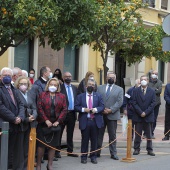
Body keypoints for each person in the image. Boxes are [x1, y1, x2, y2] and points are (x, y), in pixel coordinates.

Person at [36, 78, 67, 170]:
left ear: (58, 87)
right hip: (43, 123)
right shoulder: (42, 95)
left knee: (53, 145)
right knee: (41, 145)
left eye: (55, 85)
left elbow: (64, 109)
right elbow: (39, 108)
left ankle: (50, 164)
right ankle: (38, 164)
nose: (53, 86)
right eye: (51, 84)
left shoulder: (62, 96)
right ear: (48, 85)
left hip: (56, 124)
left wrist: (58, 121)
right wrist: (46, 120)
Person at [0, 67, 25, 169]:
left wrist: (20, 117)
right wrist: (14, 118)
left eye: (9, 76)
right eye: (4, 75)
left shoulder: (14, 89)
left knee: (12, 151)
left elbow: (21, 104)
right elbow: (1, 107)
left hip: (16, 125)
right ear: (0, 77)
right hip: (4, 125)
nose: (7, 77)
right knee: (3, 151)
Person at [75, 79, 104, 164]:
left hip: (95, 121)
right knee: (85, 140)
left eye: (93, 85)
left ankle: (93, 156)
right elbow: (76, 107)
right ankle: (83, 156)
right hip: (85, 120)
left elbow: (102, 106)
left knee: (94, 140)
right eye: (89, 84)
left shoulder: (98, 96)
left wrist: (95, 109)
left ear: (94, 87)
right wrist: (84, 109)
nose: (91, 86)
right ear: (86, 86)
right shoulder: (80, 96)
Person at [97, 73, 123, 160]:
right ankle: (97, 152)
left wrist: (110, 110)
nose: (111, 79)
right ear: (106, 78)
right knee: (99, 135)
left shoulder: (120, 89)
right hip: (101, 114)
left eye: (113, 78)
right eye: (109, 77)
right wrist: (102, 109)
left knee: (112, 135)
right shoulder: (99, 88)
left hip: (112, 115)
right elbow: (97, 99)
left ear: (115, 79)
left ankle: (113, 153)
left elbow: (119, 102)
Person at [14, 76, 37, 170]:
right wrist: (27, 118)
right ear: (18, 84)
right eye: (21, 84)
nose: (23, 86)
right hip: (21, 124)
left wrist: (34, 116)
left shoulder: (30, 94)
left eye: (25, 84)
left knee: (27, 147)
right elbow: (19, 109)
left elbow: (34, 108)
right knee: (19, 149)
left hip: (30, 124)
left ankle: (25, 167)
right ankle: (19, 167)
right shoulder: (16, 93)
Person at [132, 75, 156, 156]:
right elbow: (134, 102)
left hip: (148, 116)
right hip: (138, 116)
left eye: (145, 79)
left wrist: (145, 112)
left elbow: (153, 103)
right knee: (138, 134)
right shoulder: (136, 91)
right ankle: (136, 148)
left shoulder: (152, 91)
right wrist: (140, 112)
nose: (143, 81)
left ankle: (149, 149)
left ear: (148, 81)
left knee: (149, 134)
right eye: (142, 79)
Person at [57, 72, 78, 158]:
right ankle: (57, 151)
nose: (68, 78)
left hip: (72, 114)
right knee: (59, 133)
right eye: (66, 76)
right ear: (63, 77)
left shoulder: (74, 88)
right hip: (62, 114)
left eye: (70, 76)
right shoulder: (60, 88)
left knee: (70, 133)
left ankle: (70, 151)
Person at [147, 70, 162, 139]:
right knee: (147, 118)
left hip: (156, 103)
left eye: (156, 74)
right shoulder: (147, 82)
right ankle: (146, 133)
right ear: (151, 74)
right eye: (153, 73)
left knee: (154, 118)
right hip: (148, 103)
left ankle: (151, 132)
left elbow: (159, 91)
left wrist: (151, 89)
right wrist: (155, 89)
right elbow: (147, 90)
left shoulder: (159, 82)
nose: (154, 75)